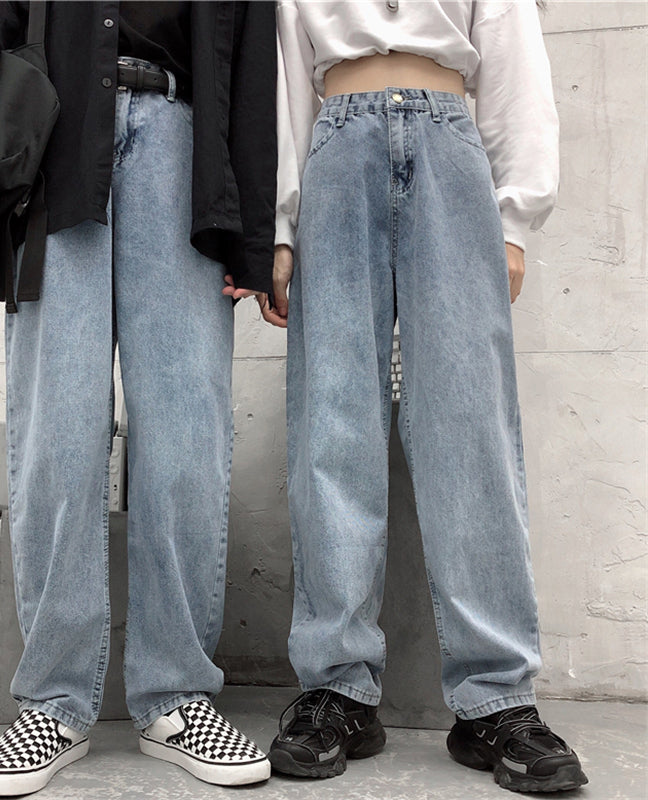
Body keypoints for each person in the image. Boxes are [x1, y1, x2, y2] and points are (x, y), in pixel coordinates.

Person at [0, 1, 276, 795]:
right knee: (57, 438)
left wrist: (253, 233)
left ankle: (177, 696)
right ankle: (53, 701)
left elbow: (254, 64)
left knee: (186, 441)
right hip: (52, 147)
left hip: (184, 151)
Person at [254, 0, 589, 793]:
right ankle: (338, 690)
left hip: (449, 140)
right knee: (332, 428)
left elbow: (511, 56)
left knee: (468, 426)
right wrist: (280, 226)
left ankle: (497, 698)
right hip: (336, 144)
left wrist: (513, 218)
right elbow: (284, 79)